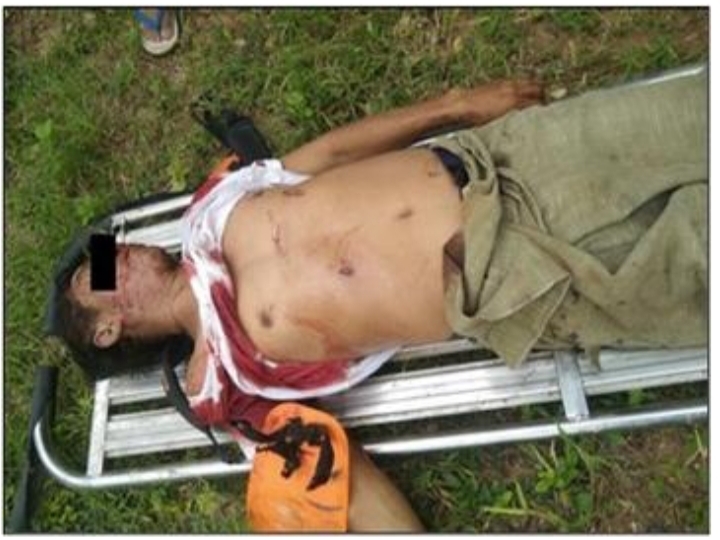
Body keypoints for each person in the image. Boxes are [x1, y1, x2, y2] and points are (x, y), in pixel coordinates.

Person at [46, 68, 707, 531]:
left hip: (498, 158)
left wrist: (456, 105)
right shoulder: (224, 382)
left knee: (694, 117)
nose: (117, 250)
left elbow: (331, 154)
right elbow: (340, 473)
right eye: (100, 270)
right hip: (518, 274)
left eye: (110, 246)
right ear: (108, 329)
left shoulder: (207, 214)